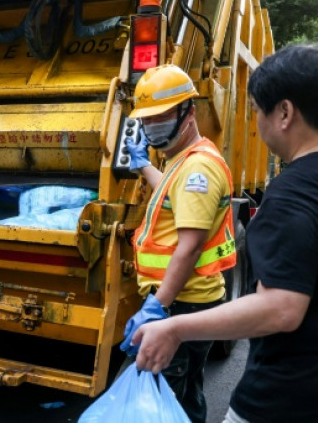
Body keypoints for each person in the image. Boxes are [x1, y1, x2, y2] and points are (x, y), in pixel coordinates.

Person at [132, 44, 318, 423]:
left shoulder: (295, 194)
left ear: (285, 112)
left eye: (257, 110)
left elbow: (281, 309)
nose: (256, 122)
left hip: (289, 398)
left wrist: (173, 327)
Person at [120, 64, 236, 423]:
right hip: (186, 301)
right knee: (185, 397)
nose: (152, 125)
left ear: (190, 112)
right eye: (147, 118)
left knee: (163, 403)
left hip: (182, 305)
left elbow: (190, 247)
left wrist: (158, 306)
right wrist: (143, 165)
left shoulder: (197, 169)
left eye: (162, 116)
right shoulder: (184, 160)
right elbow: (174, 196)